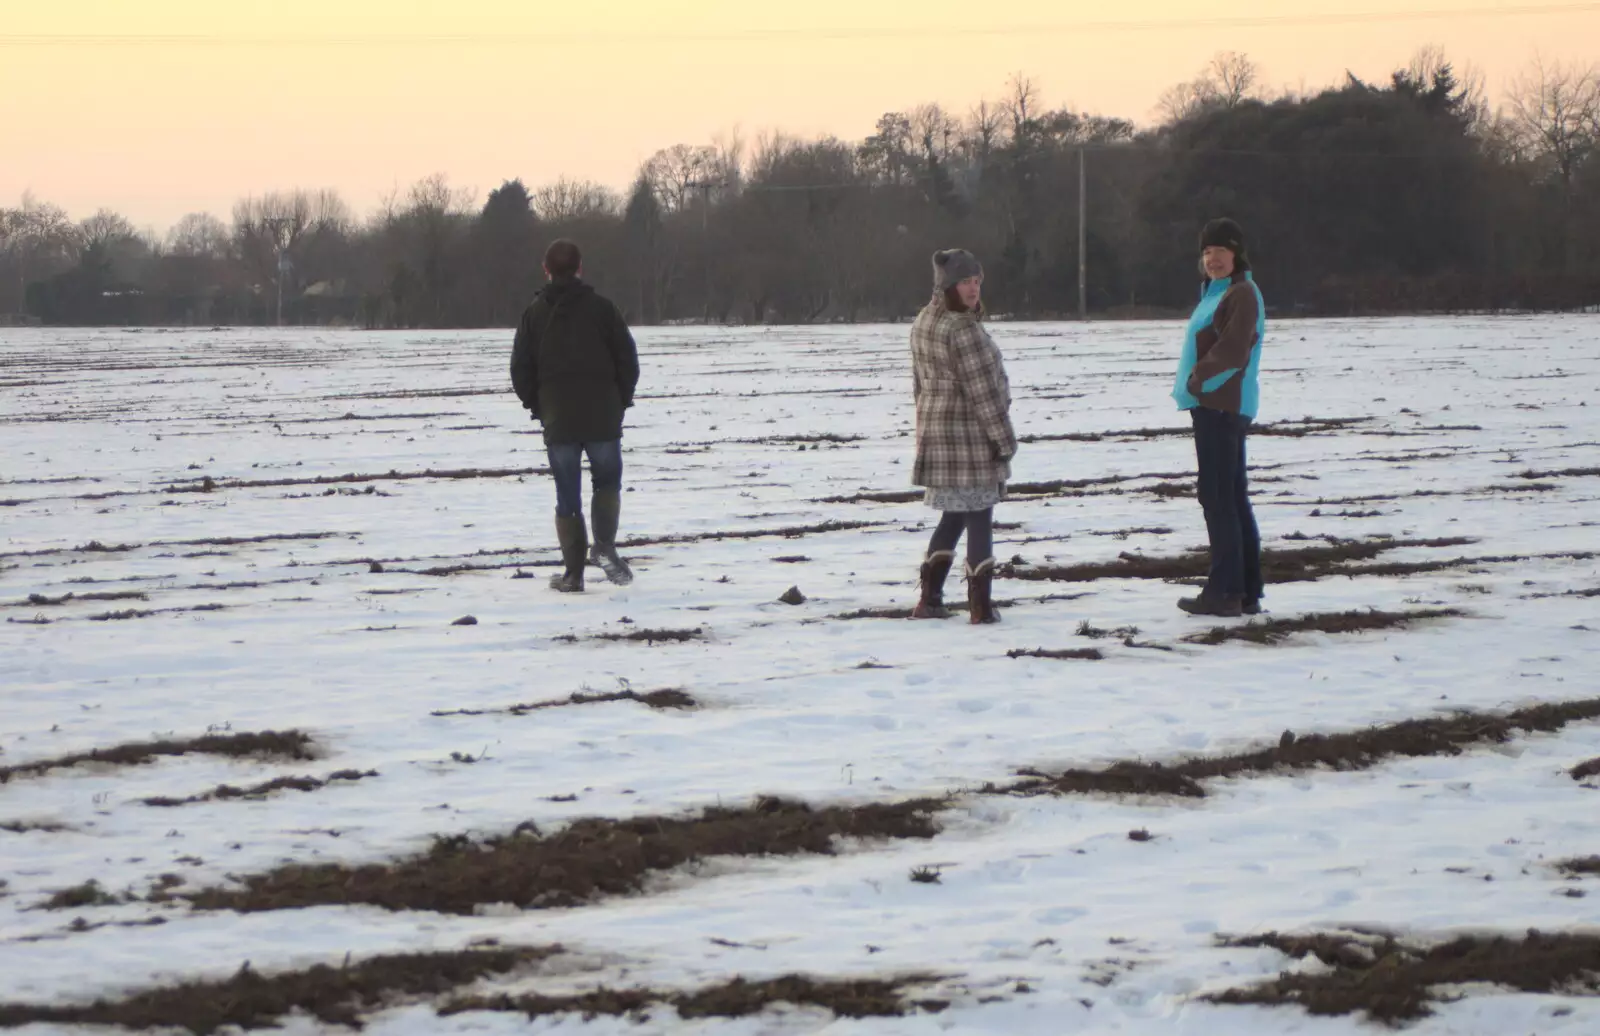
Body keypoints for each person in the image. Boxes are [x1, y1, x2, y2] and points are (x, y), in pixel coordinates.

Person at [510, 239, 640, 593]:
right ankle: (604, 546)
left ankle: (573, 575)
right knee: (607, 484)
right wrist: (620, 402)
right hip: (603, 417)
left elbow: (520, 370)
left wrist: (538, 407)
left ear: (546, 269)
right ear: (580, 268)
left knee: (567, 496)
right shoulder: (603, 309)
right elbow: (628, 359)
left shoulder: (533, 314)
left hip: (559, 420)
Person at [908, 249, 1017, 625]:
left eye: (976, 281)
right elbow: (985, 395)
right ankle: (981, 607)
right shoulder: (963, 330)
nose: (973, 289)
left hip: (938, 436)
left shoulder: (924, 320)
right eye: (965, 282)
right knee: (979, 515)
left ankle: (930, 598)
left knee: (954, 514)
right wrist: (1004, 441)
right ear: (948, 286)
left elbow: (918, 385)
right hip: (970, 437)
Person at [1172, 218, 1267, 618]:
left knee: (1217, 496)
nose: (1213, 258)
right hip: (1214, 404)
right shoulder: (1216, 292)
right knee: (1230, 496)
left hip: (1220, 405)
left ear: (1236, 253)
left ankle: (1225, 590)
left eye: (1221, 251)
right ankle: (1244, 589)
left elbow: (1233, 350)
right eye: (1207, 252)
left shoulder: (1242, 293)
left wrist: (1198, 380)